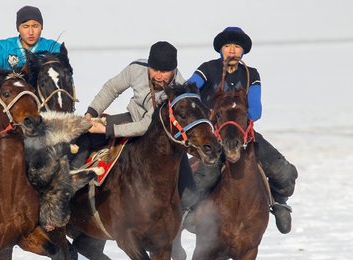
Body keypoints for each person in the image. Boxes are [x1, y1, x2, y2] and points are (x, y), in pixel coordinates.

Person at [187, 26, 298, 234]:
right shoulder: (207, 69)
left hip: (244, 135)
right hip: (214, 137)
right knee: (205, 178)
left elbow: (255, 111)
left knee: (283, 171)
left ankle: (279, 202)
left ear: (242, 51)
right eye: (228, 46)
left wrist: (236, 118)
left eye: (236, 47)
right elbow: (190, 88)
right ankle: (189, 210)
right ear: (221, 49)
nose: (232, 51)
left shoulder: (251, 75)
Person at [75, 41, 197, 210]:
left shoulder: (177, 90)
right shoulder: (136, 69)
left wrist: (106, 130)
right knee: (84, 136)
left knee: (189, 196)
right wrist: (92, 112)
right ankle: (72, 187)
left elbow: (146, 125)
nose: (158, 76)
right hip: (131, 118)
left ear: (174, 70)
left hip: (163, 136)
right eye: (155, 70)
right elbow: (112, 88)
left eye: (164, 72)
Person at [0, 5, 61, 80]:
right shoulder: (3, 47)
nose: (31, 32)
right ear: (18, 29)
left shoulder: (52, 47)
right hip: (11, 96)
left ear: (41, 27)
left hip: (42, 95)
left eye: (35, 26)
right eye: (26, 27)